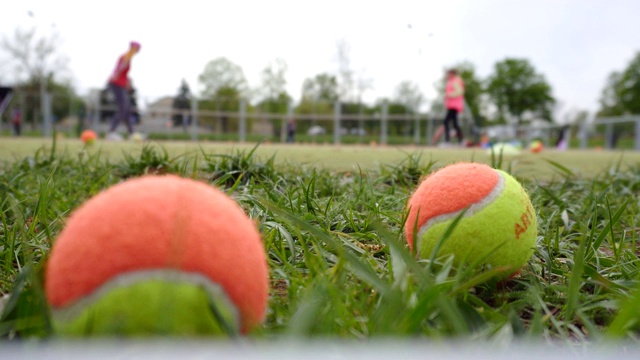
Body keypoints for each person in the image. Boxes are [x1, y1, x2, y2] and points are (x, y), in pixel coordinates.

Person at [107, 41, 141, 140]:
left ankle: (132, 134)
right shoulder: (126, 57)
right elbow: (119, 68)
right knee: (123, 109)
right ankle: (111, 132)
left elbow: (123, 73)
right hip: (116, 84)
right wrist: (115, 75)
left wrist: (127, 82)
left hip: (120, 84)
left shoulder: (128, 58)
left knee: (127, 110)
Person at [443, 69, 465, 144]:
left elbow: (460, 91)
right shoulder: (451, 81)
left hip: (454, 106)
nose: (447, 75)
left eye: (448, 74)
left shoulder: (455, 81)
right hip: (452, 105)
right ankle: (461, 140)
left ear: (452, 74)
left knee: (446, 122)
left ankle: (447, 141)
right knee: (454, 124)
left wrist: (448, 95)